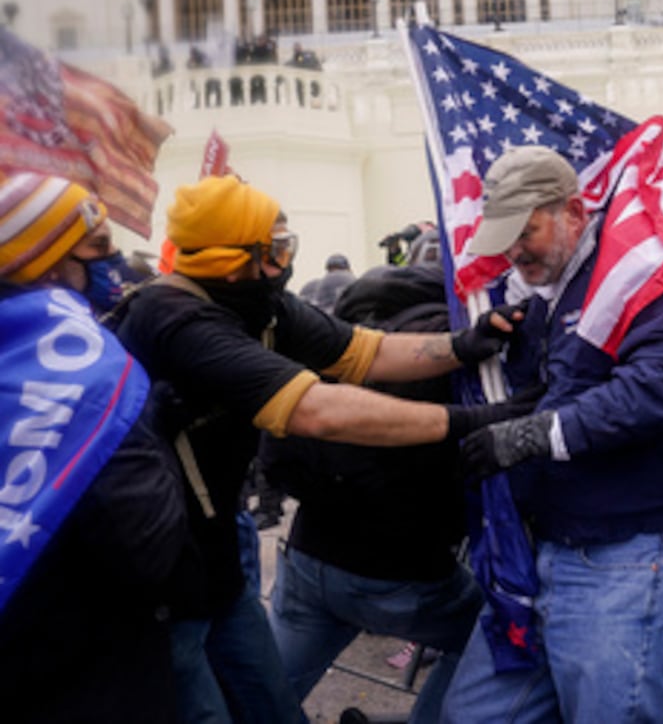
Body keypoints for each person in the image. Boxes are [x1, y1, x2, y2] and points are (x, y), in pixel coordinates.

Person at [111, 173, 527, 724]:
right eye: (277, 250)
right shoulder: (176, 318)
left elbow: (362, 352)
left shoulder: (259, 305)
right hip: (159, 568)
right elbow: (317, 411)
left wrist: (459, 346)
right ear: (233, 260)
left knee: (274, 709)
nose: (285, 263)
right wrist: (473, 419)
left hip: (217, 555)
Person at [440, 145, 663, 724]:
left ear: (573, 211)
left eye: (527, 230)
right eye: (507, 234)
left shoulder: (646, 273)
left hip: (624, 556)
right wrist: (504, 349)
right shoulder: (557, 291)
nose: (515, 251)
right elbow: (560, 387)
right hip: (552, 549)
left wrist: (536, 435)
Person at [0, 171, 188, 723]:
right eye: (99, 248)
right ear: (50, 263)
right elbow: (152, 550)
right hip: (80, 669)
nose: (116, 263)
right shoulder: (86, 376)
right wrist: (145, 421)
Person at [263, 254, 484, 721]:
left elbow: (276, 457)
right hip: (403, 572)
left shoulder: (333, 334)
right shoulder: (448, 346)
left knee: (259, 697)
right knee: (499, 637)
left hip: (309, 557)